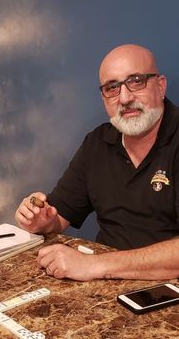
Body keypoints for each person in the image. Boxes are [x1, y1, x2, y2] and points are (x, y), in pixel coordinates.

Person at [15, 44, 179, 281]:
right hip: (106, 289)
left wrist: (94, 265)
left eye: (136, 81)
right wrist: (41, 220)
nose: (125, 97)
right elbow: (58, 217)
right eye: (112, 87)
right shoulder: (98, 143)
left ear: (160, 85)